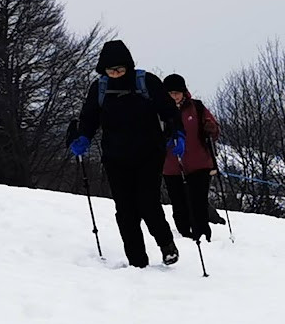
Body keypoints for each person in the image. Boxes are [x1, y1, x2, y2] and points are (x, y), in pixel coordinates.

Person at [67, 39, 184, 268]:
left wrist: (177, 133)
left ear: (128, 66)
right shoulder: (99, 88)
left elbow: (169, 111)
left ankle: (166, 244)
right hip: (115, 157)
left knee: (148, 203)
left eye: (120, 69)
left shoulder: (146, 82)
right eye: (111, 70)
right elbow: (89, 118)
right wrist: (83, 137)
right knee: (125, 210)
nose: (116, 73)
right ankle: (137, 260)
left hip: (149, 153)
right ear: (104, 69)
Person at [160, 73, 220, 242]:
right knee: (178, 203)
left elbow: (214, 130)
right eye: (170, 93)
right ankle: (184, 233)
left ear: (184, 92)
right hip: (171, 166)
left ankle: (202, 233)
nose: (174, 97)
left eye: (177, 93)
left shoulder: (197, 107)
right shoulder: (159, 111)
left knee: (199, 201)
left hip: (198, 164)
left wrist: (211, 128)